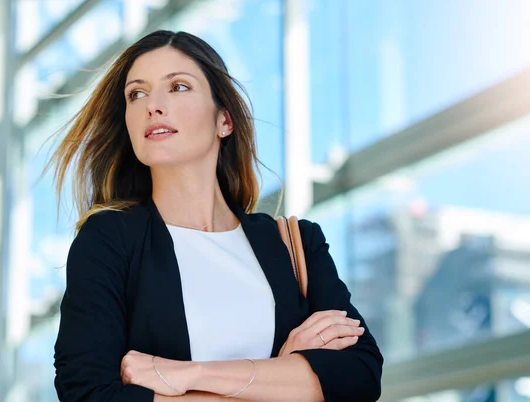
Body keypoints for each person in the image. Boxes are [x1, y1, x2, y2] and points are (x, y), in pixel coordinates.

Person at [50, 30, 383, 402]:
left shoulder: (295, 244)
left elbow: (360, 375)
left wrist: (188, 375)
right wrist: (279, 371)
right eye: (137, 93)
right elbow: (88, 394)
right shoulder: (108, 239)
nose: (153, 106)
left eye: (178, 87)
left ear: (224, 120)